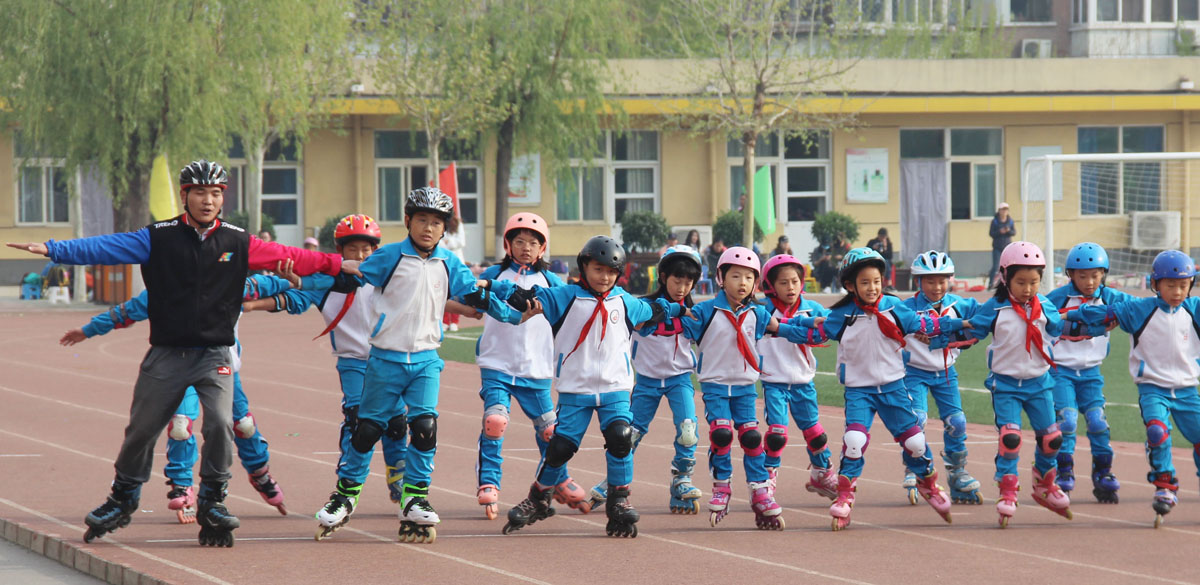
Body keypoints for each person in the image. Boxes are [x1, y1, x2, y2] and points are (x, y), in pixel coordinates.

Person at [7, 159, 354, 547]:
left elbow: (290, 255)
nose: (209, 201)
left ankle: (213, 501)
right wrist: (54, 248)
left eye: (216, 193)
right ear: (185, 195)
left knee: (222, 424)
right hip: (167, 354)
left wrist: (340, 263)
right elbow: (107, 246)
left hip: (215, 355)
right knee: (141, 430)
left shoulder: (238, 241)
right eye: (201, 193)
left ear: (223, 198)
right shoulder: (159, 237)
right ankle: (122, 498)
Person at [331, 187, 515, 544]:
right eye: (422, 220)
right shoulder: (388, 257)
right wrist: (308, 273)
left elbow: (475, 294)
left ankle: (414, 497)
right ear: (407, 222)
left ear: (444, 228)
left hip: (427, 360)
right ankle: (344, 495)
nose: (428, 228)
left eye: (436, 222)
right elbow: (351, 271)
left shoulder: (449, 263)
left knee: (425, 426)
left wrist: (514, 314)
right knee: (367, 429)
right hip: (385, 357)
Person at [62, 274, 296, 523]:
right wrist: (88, 330)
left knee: (240, 424)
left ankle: (259, 472)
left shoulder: (231, 283)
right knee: (181, 425)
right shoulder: (166, 289)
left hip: (221, 366)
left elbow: (283, 282)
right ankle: (183, 485)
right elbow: (126, 311)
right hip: (178, 366)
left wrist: (298, 279)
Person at [497, 236, 684, 538]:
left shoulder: (623, 300)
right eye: (598, 269)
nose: (605, 277)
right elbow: (533, 296)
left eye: (611, 272)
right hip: (576, 390)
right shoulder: (566, 296)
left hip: (615, 388)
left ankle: (620, 501)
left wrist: (677, 310)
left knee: (621, 438)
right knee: (560, 448)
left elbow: (654, 310)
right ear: (583, 266)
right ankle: (539, 497)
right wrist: (512, 295)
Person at [242, 214, 412, 540]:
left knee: (396, 422)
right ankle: (346, 486)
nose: (360, 256)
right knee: (359, 419)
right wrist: (253, 304)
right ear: (339, 251)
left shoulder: (388, 277)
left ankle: (398, 473)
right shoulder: (328, 281)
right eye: (353, 249)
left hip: (389, 359)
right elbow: (293, 296)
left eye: (366, 249)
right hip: (352, 362)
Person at [785, 248, 963, 531]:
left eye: (877, 281)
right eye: (865, 282)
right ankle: (845, 495)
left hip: (893, 388)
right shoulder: (842, 315)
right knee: (854, 440)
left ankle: (928, 482)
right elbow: (810, 333)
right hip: (860, 391)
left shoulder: (894, 308)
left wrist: (965, 324)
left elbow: (927, 324)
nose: (872, 288)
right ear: (850, 285)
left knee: (915, 444)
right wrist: (776, 328)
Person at [949, 241, 1105, 528]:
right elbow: (972, 330)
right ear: (1005, 278)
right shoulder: (995, 308)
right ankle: (1008, 489)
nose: (1028, 288)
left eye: (1034, 282)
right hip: (1006, 385)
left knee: (1052, 439)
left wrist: (1101, 322)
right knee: (1011, 438)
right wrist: (939, 333)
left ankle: (1044, 482)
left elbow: (1066, 327)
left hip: (1040, 383)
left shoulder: (1044, 306)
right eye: (1021, 282)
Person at [675, 247, 815, 530]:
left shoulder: (758, 313)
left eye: (748, 278)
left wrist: (816, 326)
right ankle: (722, 486)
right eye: (735, 276)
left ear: (755, 283)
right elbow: (677, 327)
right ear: (720, 279)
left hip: (744, 387)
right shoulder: (705, 311)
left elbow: (784, 328)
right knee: (722, 433)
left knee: (751, 437)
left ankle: (760, 490)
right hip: (715, 386)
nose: (742, 283)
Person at [1063, 250, 1200, 528]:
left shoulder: (1194, 309)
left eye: (1183, 285)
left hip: (1187, 390)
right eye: (1170, 285)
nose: (1176, 291)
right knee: (1157, 432)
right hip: (1153, 389)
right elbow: (1101, 311)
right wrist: (1071, 314)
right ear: (1155, 283)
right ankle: (1165, 484)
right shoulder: (1140, 310)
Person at [473, 213, 588, 520]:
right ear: (508, 244)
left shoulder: (552, 283)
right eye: (520, 241)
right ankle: (489, 482)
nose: (526, 248)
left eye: (533, 243)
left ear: (542, 248)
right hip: (497, 364)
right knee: (495, 422)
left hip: (536, 369)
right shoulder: (493, 274)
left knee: (551, 432)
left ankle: (558, 478)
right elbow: (471, 298)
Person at [588, 245, 704, 514]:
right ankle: (613, 482)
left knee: (688, 430)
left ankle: (681, 481)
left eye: (689, 282)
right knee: (630, 435)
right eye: (677, 279)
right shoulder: (642, 309)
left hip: (679, 380)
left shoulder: (695, 315)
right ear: (663, 277)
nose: (682, 287)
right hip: (647, 382)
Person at [1045, 242, 1133, 503]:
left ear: (1104, 273)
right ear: (1071, 274)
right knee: (1068, 421)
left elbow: (1140, 308)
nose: (1090, 281)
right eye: (1082, 275)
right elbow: (1042, 319)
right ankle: (1064, 470)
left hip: (1092, 372)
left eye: (1095, 275)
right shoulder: (1058, 297)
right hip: (1061, 371)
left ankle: (1103, 472)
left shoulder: (1110, 296)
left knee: (1097, 422)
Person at [898, 251, 983, 506]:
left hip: (946, 373)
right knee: (917, 419)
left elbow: (986, 318)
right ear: (919, 282)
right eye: (930, 281)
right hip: (914, 373)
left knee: (957, 422)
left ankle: (957, 473)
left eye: (942, 280)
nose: (937, 287)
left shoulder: (962, 304)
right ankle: (915, 467)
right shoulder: (906, 308)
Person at [755, 255, 837, 503]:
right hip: (774, 382)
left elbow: (830, 328)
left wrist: (819, 331)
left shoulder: (813, 308)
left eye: (795, 281)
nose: (790, 287)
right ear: (770, 286)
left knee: (816, 433)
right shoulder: (762, 310)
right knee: (777, 434)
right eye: (783, 283)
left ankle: (822, 473)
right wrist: (805, 330)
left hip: (803, 382)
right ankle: (766, 481)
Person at [441, 215, 467, 332]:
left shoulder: (458, 224)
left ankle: (455, 321)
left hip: (457, 263)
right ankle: (445, 320)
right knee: (444, 293)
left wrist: (449, 242)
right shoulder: (440, 221)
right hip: (443, 262)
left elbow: (461, 242)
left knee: (456, 293)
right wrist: (445, 243)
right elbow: (438, 242)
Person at [988, 202, 1016, 289]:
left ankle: (1006, 284)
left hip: (1007, 247)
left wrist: (1008, 231)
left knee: (1008, 266)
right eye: (1003, 210)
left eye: (1006, 210)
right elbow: (991, 233)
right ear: (999, 211)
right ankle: (990, 284)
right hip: (997, 247)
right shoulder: (995, 221)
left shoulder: (1010, 221)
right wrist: (1000, 232)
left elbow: (1013, 232)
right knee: (996, 266)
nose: (1004, 212)